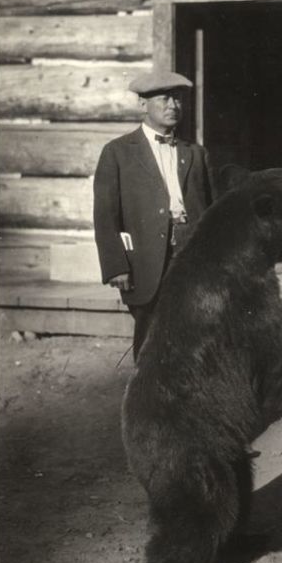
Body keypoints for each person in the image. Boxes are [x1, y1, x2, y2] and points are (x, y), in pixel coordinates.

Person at [93, 70, 212, 358]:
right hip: (146, 261)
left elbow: (212, 210)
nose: (173, 105)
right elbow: (105, 215)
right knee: (151, 340)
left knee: (195, 336)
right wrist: (116, 266)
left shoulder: (195, 153)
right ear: (143, 104)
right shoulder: (118, 152)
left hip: (191, 255)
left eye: (178, 99)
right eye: (165, 99)